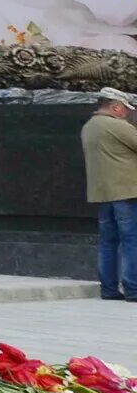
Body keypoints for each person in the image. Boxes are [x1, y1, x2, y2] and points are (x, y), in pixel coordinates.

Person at [82, 86, 137, 301]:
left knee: (108, 242)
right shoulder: (116, 125)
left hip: (102, 193)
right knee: (132, 240)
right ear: (116, 107)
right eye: (126, 109)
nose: (128, 114)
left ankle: (109, 289)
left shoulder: (90, 126)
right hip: (126, 191)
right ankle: (133, 289)